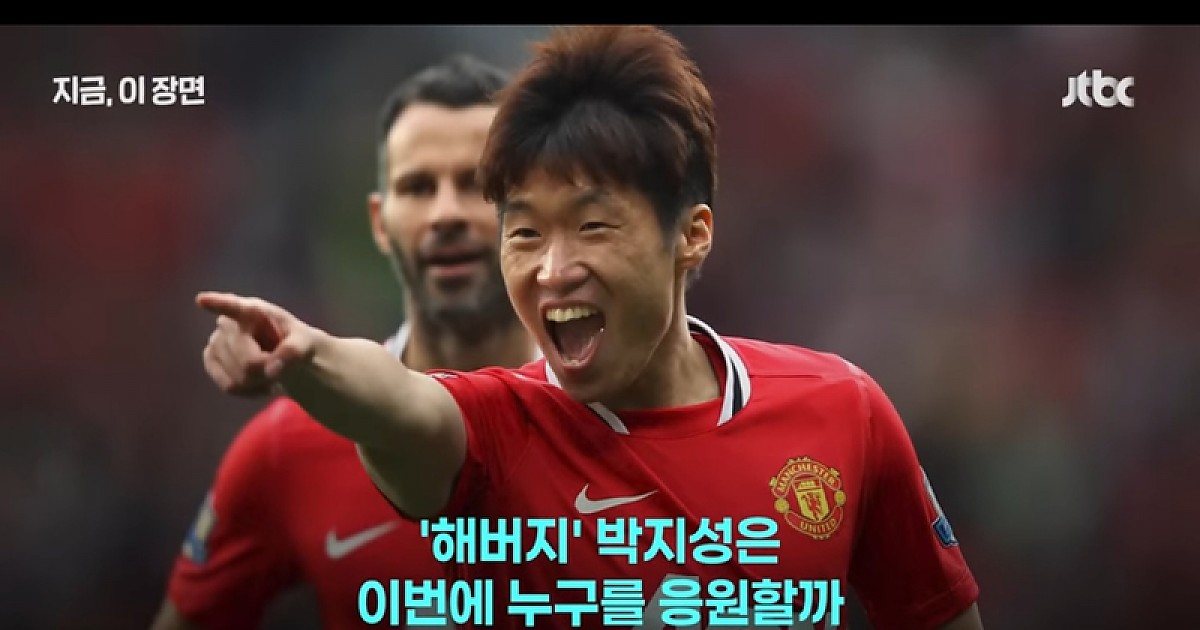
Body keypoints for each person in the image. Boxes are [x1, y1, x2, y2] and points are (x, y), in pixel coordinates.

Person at [195, 26, 984, 630]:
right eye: (524, 233)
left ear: (692, 235)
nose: (552, 269)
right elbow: (398, 401)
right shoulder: (502, 426)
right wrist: (303, 354)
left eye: (593, 226)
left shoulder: (843, 411)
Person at [153, 54, 540, 630]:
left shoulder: (610, 416)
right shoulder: (290, 447)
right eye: (418, 187)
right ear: (380, 223)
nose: (446, 214)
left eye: (476, 185)